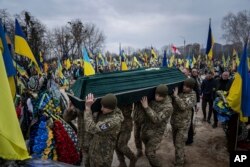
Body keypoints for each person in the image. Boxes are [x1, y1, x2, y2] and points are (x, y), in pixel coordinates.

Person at [84, 93, 124, 167]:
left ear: (110, 108)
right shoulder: (108, 111)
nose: (101, 109)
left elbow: (91, 128)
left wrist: (88, 108)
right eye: (101, 106)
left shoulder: (113, 121)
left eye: (104, 107)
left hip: (102, 158)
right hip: (95, 152)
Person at [140, 84, 173, 167]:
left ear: (165, 96)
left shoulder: (168, 107)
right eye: (156, 94)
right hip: (146, 129)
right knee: (149, 149)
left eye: (159, 96)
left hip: (156, 132)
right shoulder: (153, 99)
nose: (157, 97)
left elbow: (157, 119)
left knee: (149, 153)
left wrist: (146, 107)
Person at [171, 78, 197, 167]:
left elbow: (183, 106)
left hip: (183, 124)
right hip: (174, 122)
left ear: (191, 88)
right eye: (184, 85)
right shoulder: (180, 92)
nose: (184, 87)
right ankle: (181, 156)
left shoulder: (193, 95)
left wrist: (175, 96)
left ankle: (179, 163)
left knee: (179, 144)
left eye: (187, 87)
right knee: (175, 143)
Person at [186, 68, 201, 145]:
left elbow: (197, 93)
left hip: (191, 102)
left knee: (190, 122)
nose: (195, 72)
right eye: (193, 71)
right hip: (186, 103)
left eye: (196, 71)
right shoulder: (189, 79)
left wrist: (197, 104)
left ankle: (190, 139)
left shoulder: (194, 80)